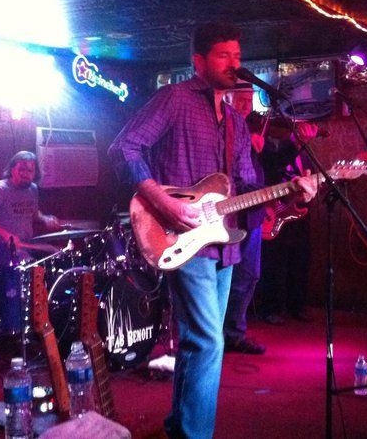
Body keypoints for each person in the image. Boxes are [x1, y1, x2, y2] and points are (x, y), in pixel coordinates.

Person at [108, 22, 317, 439]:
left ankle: (179, 425)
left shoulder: (237, 124)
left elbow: (247, 189)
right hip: (180, 236)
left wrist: (292, 194)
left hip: (222, 243)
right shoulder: (175, 99)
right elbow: (123, 148)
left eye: (238, 57)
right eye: (223, 56)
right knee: (209, 343)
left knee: (196, 342)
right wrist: (163, 202)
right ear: (198, 61)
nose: (234, 64)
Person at [0, 150, 62, 335]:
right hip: (1, 246)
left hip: (26, 244)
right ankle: (14, 328)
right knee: (21, 264)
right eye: (22, 169)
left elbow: (34, 213)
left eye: (30, 170)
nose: (26, 173)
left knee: (57, 254)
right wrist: (4, 234)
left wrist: (45, 219)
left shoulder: (32, 190)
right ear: (12, 169)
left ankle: (47, 321)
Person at [257, 121, 319, 325]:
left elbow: (309, 181)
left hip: (297, 212)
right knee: (274, 262)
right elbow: (271, 171)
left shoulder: (305, 155)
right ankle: (271, 308)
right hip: (275, 210)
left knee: (300, 259)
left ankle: (297, 306)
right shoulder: (274, 151)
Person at [222, 82, 267, 354]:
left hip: (252, 213)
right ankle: (219, 335)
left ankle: (235, 333)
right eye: (240, 99)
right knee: (224, 276)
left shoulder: (250, 128)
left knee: (249, 275)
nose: (245, 105)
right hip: (225, 216)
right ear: (227, 96)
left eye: (249, 100)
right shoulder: (222, 125)